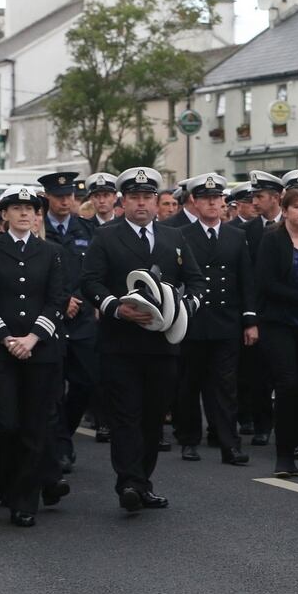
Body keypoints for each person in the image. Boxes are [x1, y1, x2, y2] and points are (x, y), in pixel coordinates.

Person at [81, 167, 205, 514]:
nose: (142, 203)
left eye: (148, 197)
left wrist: (182, 309)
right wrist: (116, 308)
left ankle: (143, 481)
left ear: (155, 202)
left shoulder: (174, 238)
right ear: (123, 201)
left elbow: (196, 282)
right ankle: (129, 483)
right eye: (134, 197)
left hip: (163, 344)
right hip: (120, 344)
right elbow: (91, 282)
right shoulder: (106, 236)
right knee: (126, 416)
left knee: (153, 418)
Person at [0, 185, 69, 528]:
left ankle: (23, 499)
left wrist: (32, 338)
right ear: (5, 214)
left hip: (40, 351)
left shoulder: (51, 252)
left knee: (34, 427)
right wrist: (6, 339)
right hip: (0, 351)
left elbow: (57, 300)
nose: (26, 213)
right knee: (4, 424)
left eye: (31, 208)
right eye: (18, 208)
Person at [173, 173, 254, 467]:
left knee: (225, 387)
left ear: (223, 201)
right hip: (192, 321)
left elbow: (245, 279)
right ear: (194, 201)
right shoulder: (181, 235)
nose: (212, 204)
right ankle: (189, 439)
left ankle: (228, 444)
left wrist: (250, 320)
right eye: (205, 199)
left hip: (225, 321)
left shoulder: (236, 235)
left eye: (216, 199)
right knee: (189, 384)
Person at [38, 172, 104, 466]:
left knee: (85, 383)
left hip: (82, 320)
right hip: (50, 320)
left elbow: (94, 271)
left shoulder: (87, 229)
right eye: (59, 196)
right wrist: (63, 300)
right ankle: (60, 446)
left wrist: (78, 298)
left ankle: (63, 431)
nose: (66, 201)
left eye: (70, 196)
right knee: (51, 388)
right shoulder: (38, 230)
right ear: (48, 198)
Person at [254, 187, 298, 477]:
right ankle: (283, 455)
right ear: (285, 210)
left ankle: (295, 442)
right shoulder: (272, 240)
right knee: (287, 384)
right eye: (296, 207)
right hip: (279, 323)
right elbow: (266, 283)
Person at [239, 170, 285, 445]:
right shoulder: (245, 231)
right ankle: (262, 424)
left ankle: (293, 428)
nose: (255, 201)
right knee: (258, 373)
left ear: (276, 198)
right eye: (254, 196)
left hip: (289, 310)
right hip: (260, 311)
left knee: (289, 376)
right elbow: (246, 277)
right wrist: (249, 316)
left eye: (260, 196)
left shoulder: (297, 226)